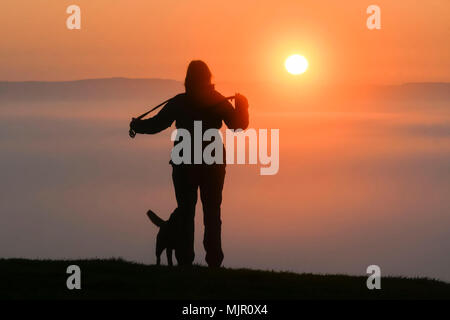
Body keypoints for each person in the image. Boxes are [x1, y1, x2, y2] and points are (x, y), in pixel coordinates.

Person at [130, 60, 249, 267]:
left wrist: (137, 126)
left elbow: (157, 124)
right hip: (212, 164)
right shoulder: (217, 100)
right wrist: (243, 105)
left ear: (188, 80)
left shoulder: (180, 102)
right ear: (208, 78)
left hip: (184, 163)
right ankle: (213, 261)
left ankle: (185, 261)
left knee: (185, 213)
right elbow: (238, 126)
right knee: (212, 213)